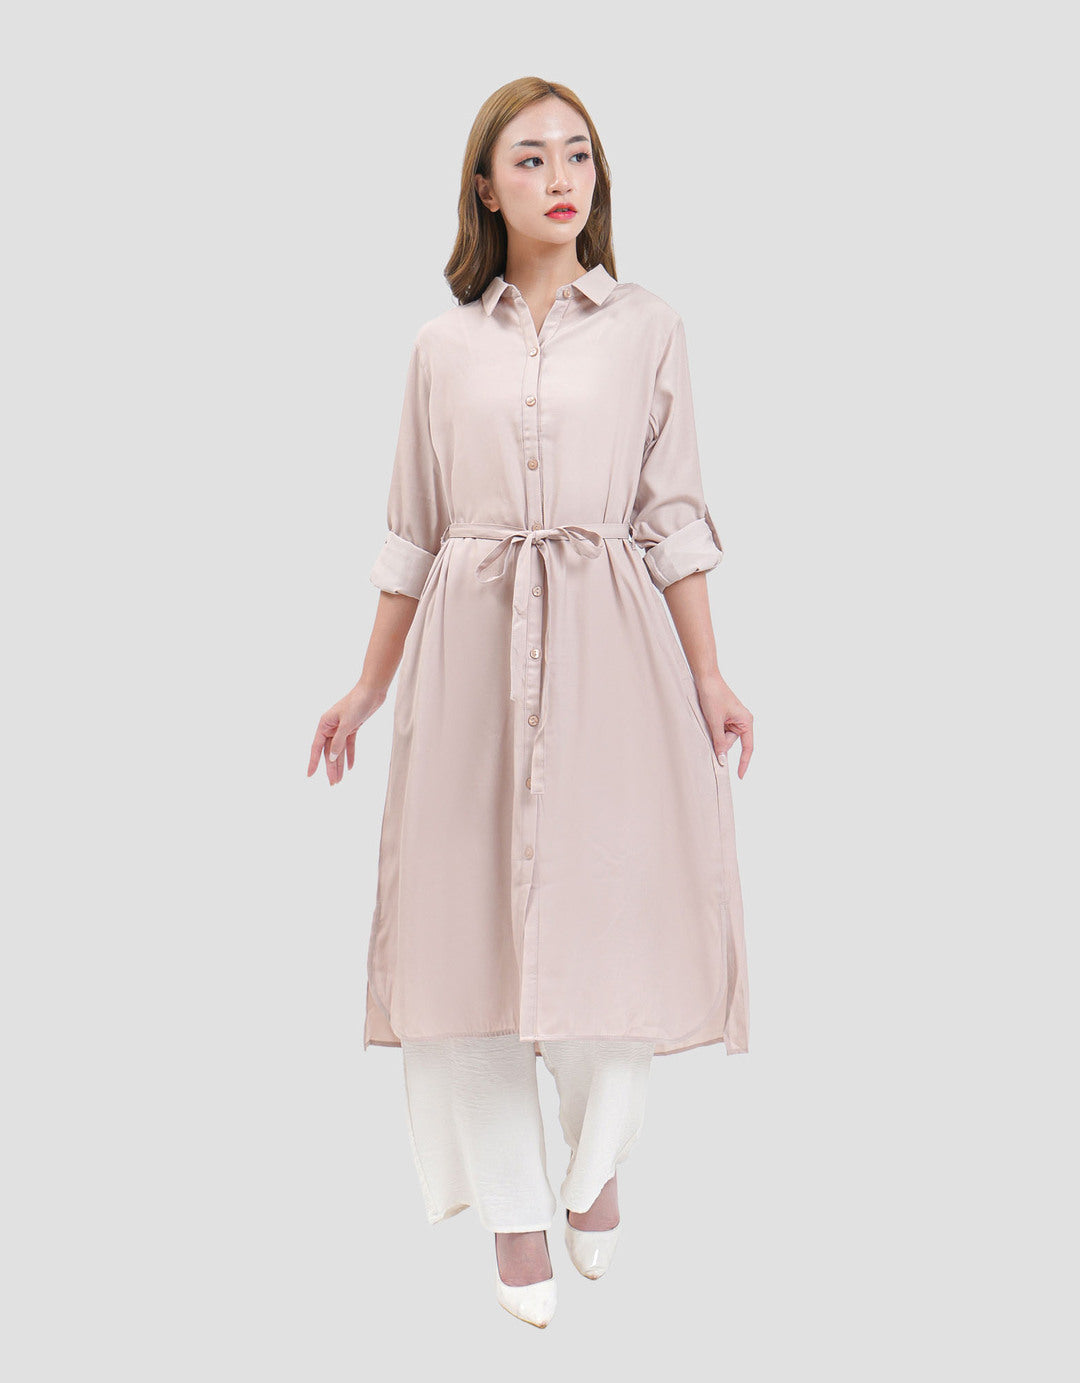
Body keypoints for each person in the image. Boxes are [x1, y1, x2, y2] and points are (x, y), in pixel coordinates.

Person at [308, 77, 754, 1327]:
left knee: (617, 923)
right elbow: (413, 529)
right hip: (466, 656)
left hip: (614, 650)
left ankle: (596, 1159)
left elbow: (673, 515)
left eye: (580, 156)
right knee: (459, 942)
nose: (562, 178)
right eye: (531, 157)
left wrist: (710, 674)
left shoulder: (651, 327)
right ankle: (513, 1209)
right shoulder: (440, 346)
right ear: (485, 186)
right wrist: (366, 685)